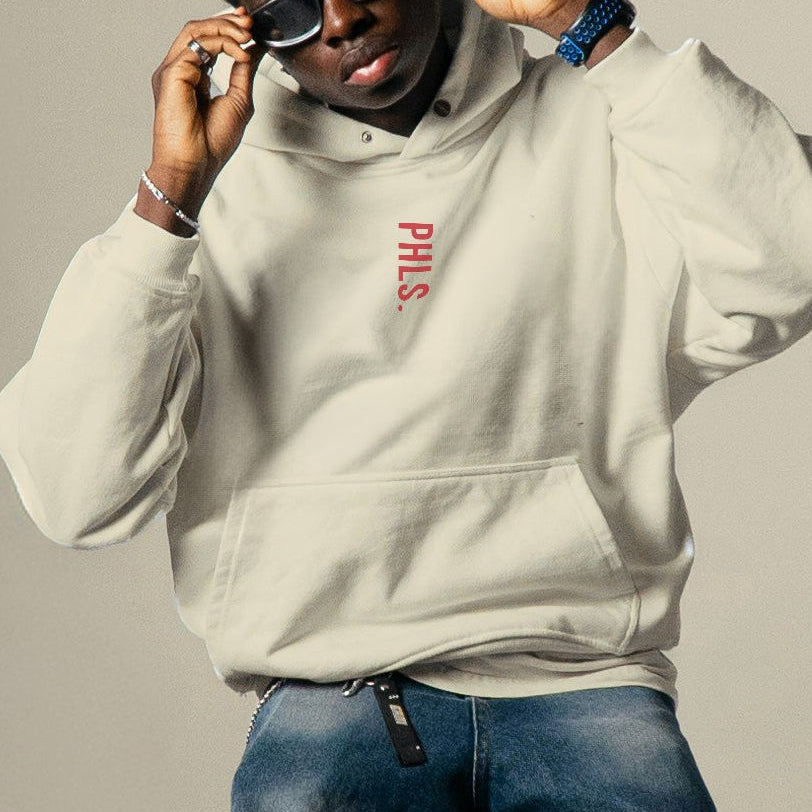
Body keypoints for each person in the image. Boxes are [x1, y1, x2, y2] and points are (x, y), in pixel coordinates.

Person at [0, 0, 809, 808]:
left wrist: (592, 26)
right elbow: (79, 499)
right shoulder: (212, 195)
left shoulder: (606, 117)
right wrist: (169, 198)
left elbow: (792, 267)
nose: (343, 19)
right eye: (294, 4)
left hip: (587, 676)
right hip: (329, 687)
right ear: (247, 18)